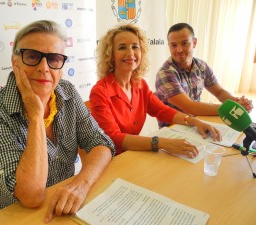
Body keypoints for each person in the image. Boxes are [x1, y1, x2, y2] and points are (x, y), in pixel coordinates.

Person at [0, 20, 115, 222]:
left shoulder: (67, 92)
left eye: (54, 59)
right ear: (15, 61)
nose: (44, 68)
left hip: (61, 199)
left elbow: (101, 143)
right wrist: (35, 115)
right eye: (32, 56)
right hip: (9, 212)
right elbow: (31, 195)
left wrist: (81, 184)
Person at [89, 23, 221, 157]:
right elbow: (114, 138)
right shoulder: (100, 91)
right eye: (122, 47)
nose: (130, 53)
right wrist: (162, 143)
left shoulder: (140, 85)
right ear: (110, 54)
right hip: (111, 159)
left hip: (132, 153)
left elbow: (161, 110)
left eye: (135, 47)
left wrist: (194, 121)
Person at [155, 22, 253, 128]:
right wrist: (231, 109)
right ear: (168, 46)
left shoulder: (201, 66)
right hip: (173, 129)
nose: (179, 49)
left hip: (197, 123)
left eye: (184, 43)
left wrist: (238, 102)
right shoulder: (165, 73)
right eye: (174, 45)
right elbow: (189, 107)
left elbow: (219, 92)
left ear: (194, 43)